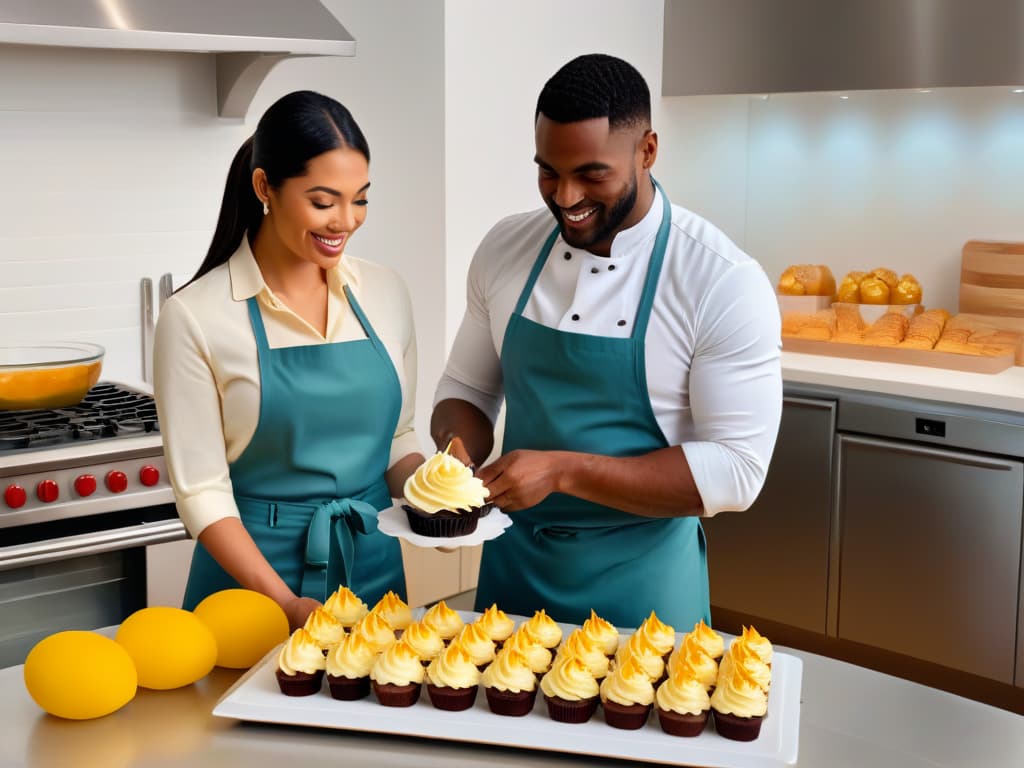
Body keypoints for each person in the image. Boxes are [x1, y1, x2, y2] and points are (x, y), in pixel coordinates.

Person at [432, 54, 782, 629]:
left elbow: (737, 471)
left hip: (643, 594)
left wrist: (562, 471)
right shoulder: (505, 248)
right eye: (548, 170)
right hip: (511, 580)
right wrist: (455, 455)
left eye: (591, 174)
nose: (565, 196)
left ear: (647, 151)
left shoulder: (720, 280)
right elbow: (466, 387)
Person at [154, 91, 424, 630]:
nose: (345, 221)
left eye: (361, 199)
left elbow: (398, 438)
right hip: (249, 594)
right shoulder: (195, 316)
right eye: (323, 202)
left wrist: (438, 496)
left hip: (373, 573)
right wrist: (284, 605)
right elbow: (202, 494)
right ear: (264, 189)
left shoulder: (386, 292)